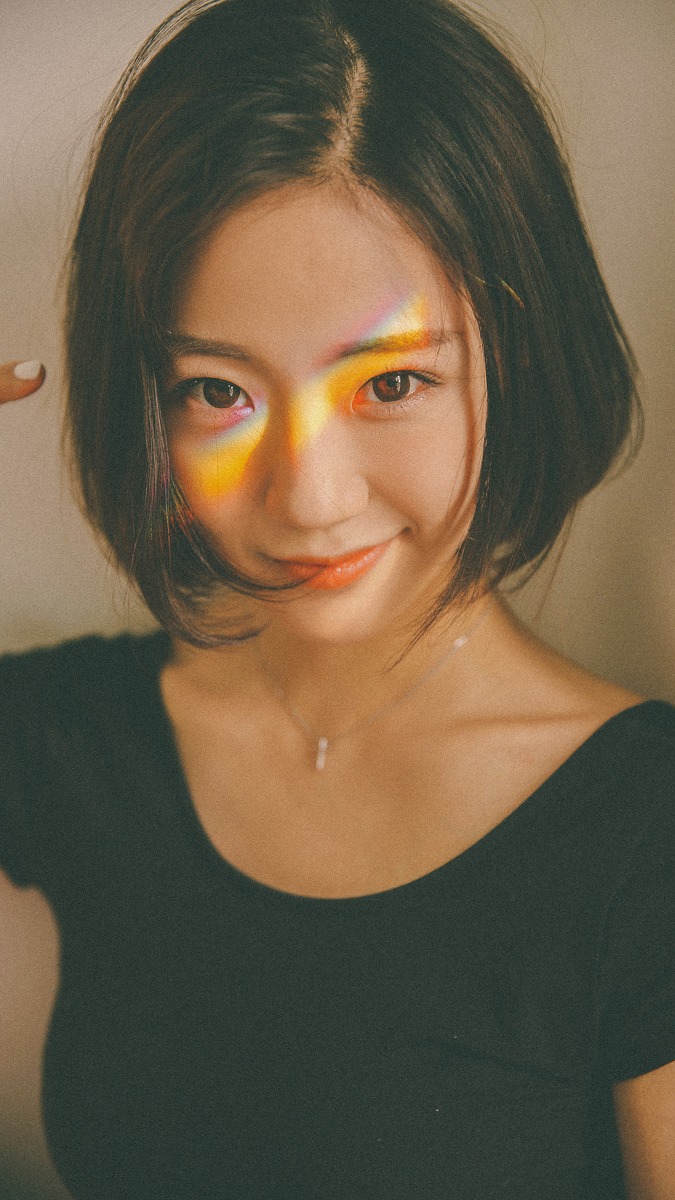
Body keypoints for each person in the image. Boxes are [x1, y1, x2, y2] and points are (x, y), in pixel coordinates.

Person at [1, 0, 673, 1196]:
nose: (308, 498)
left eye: (392, 383)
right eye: (219, 392)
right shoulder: (71, 738)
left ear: (524, 357)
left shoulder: (644, 833)